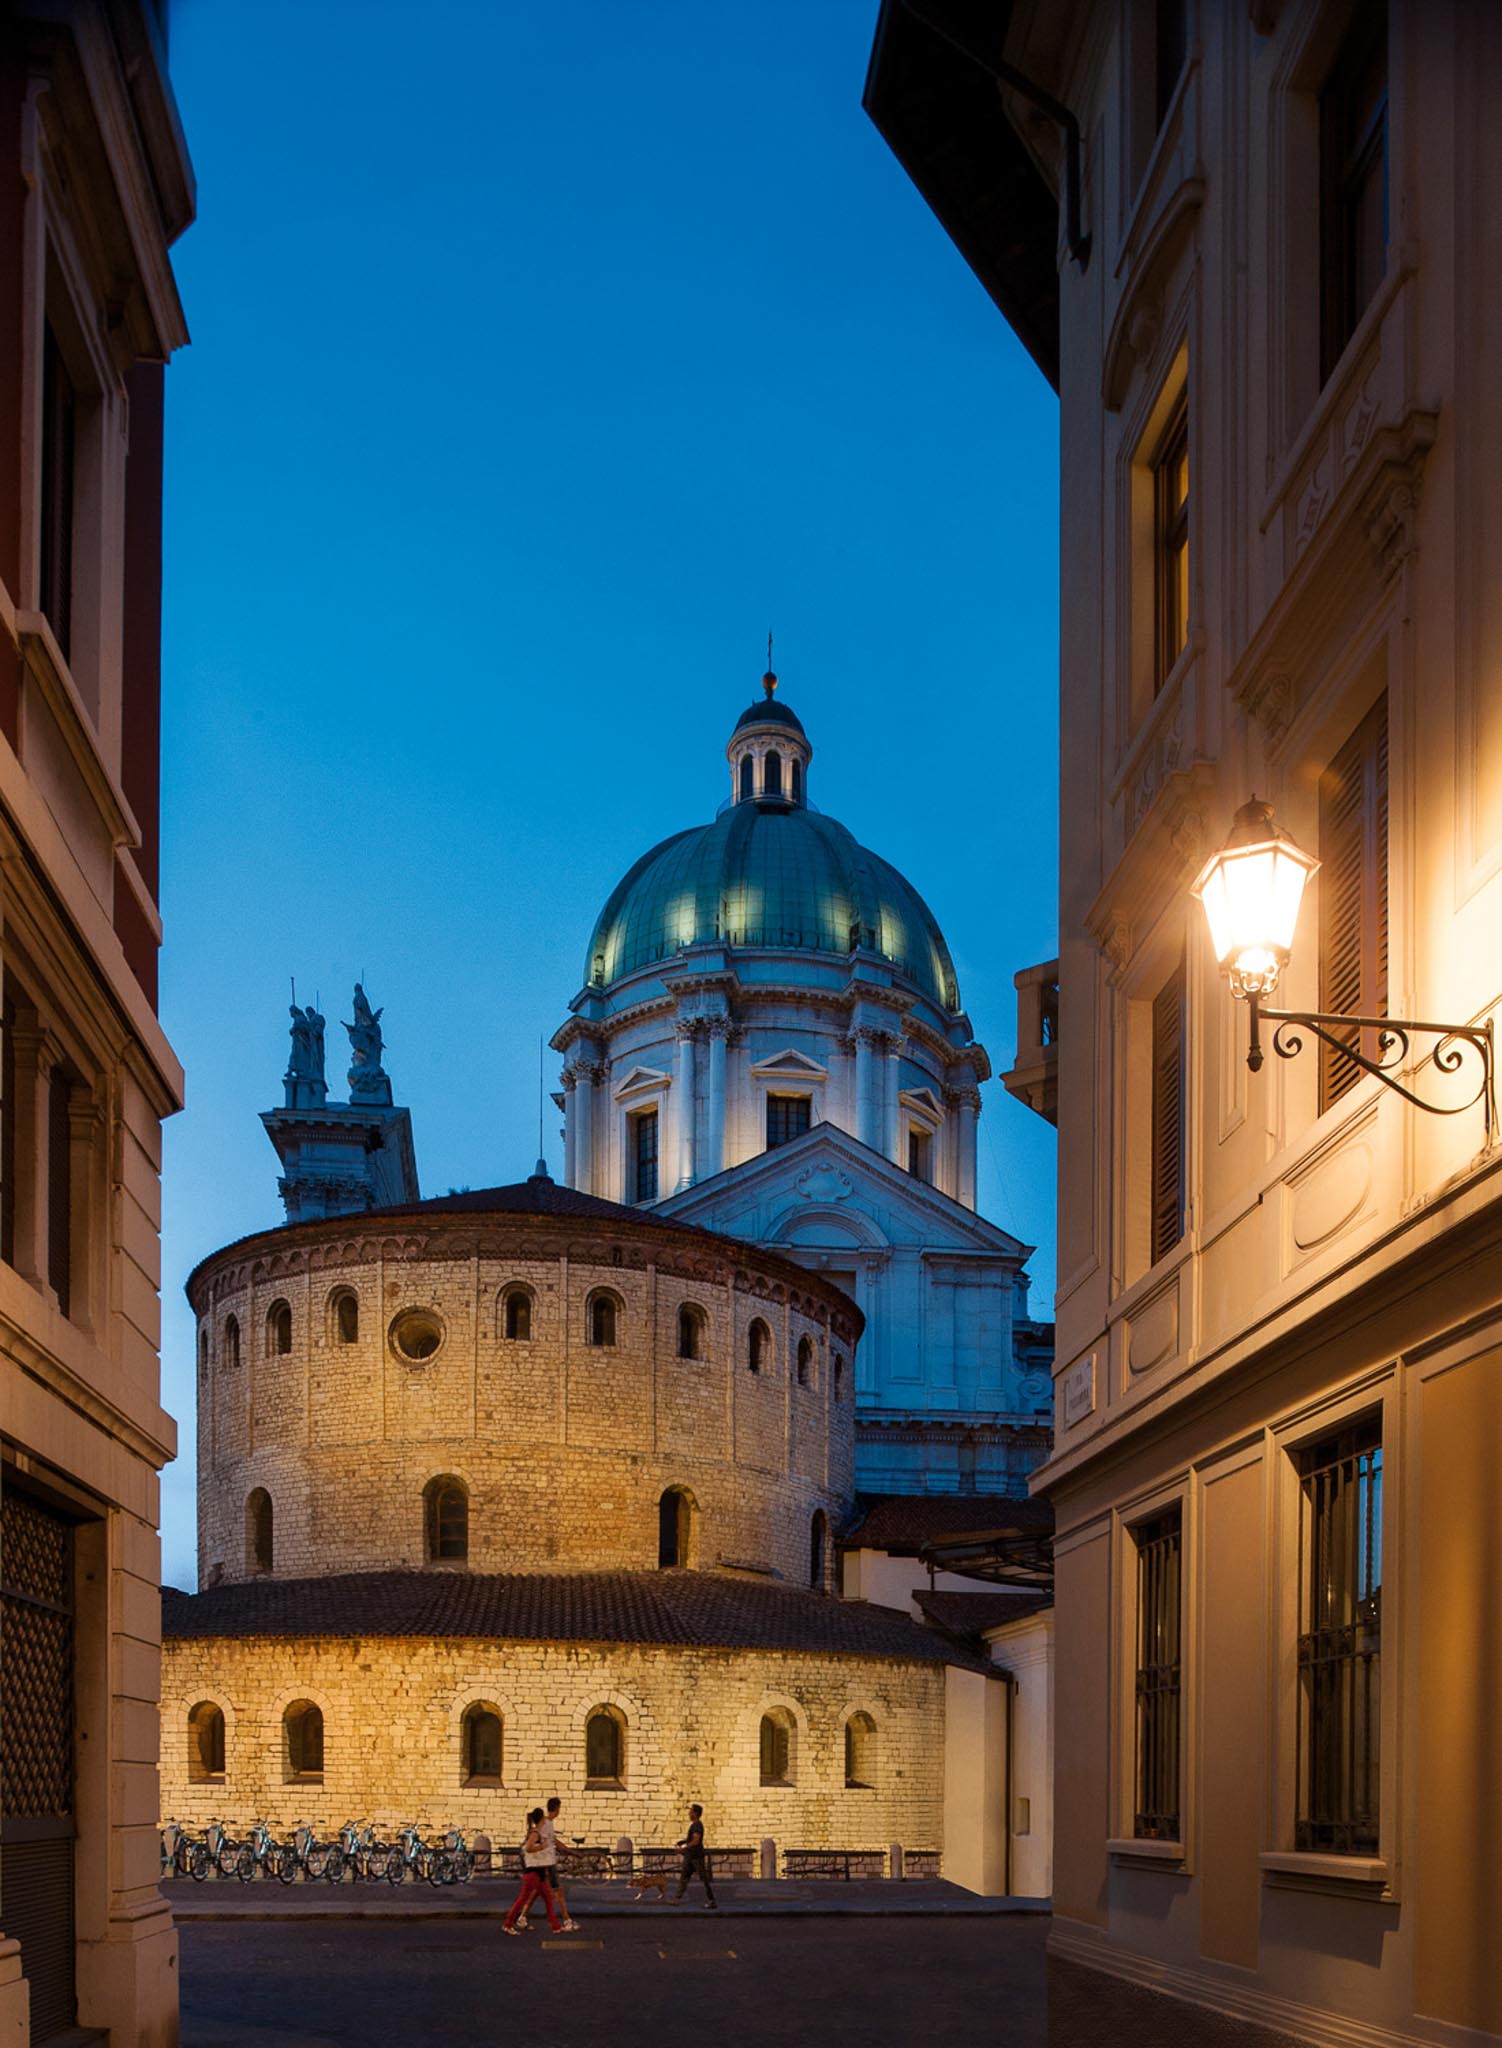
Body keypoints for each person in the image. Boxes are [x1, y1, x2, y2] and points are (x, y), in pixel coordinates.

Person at [503, 1810, 566, 1935]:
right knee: (522, 1899)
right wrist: (542, 1847)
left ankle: (556, 1927)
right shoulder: (535, 1833)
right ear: (541, 1819)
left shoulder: (538, 1833)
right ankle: (507, 1924)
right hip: (532, 1874)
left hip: (539, 1873)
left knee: (548, 1900)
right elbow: (528, 1848)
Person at [528, 1796, 580, 1932]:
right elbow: (540, 1840)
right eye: (559, 1808)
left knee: (537, 1891)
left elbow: (554, 1842)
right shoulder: (545, 1824)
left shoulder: (547, 1823)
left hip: (546, 1862)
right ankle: (567, 1921)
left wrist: (571, 1852)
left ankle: (521, 1916)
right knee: (559, 1892)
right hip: (547, 1863)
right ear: (557, 1809)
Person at [672, 1802, 717, 1909]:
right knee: (684, 1877)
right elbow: (693, 1839)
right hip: (690, 1856)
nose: (689, 1813)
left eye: (691, 1811)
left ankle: (712, 1901)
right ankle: (677, 1898)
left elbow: (696, 1841)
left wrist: (683, 1848)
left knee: (703, 1879)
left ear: (695, 1813)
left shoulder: (697, 1825)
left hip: (696, 1857)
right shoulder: (695, 1825)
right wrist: (684, 1841)